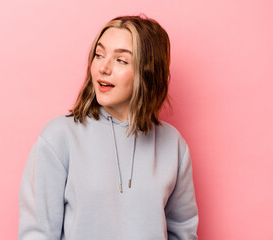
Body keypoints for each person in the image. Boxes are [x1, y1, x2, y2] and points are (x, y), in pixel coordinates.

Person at [18, 15, 198, 240]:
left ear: (148, 72)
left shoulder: (173, 144)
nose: (103, 68)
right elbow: (37, 233)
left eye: (121, 60)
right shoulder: (59, 137)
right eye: (99, 55)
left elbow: (182, 231)